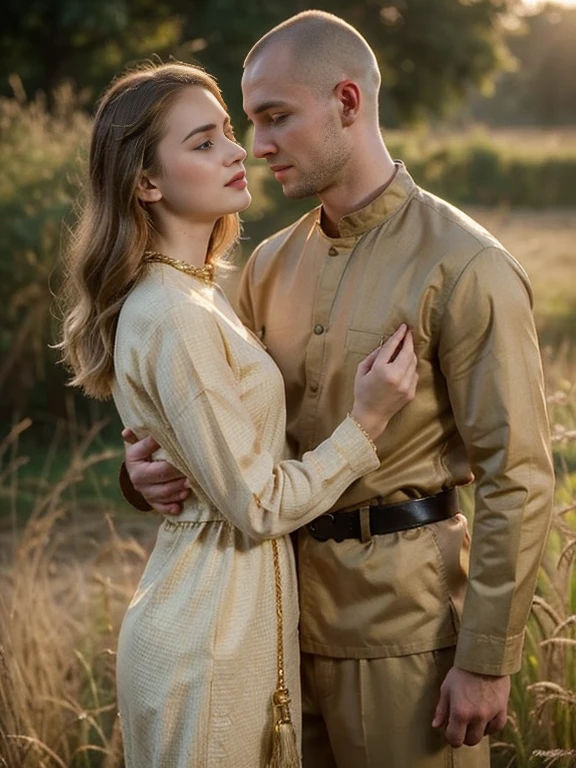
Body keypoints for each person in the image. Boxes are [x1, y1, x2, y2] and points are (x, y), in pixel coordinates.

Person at [122, 11, 555, 768]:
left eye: (275, 117)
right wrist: (138, 475)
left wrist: (486, 659)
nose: (256, 146)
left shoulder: (467, 268)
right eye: (247, 123)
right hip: (271, 629)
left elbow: (518, 475)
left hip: (407, 641)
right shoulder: (265, 266)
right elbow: (230, 437)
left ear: (347, 103)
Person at [58, 60, 419, 768]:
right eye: (203, 142)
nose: (237, 150)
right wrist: (366, 424)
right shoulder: (173, 312)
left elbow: (212, 448)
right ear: (146, 182)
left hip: (230, 628)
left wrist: (146, 472)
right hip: (206, 644)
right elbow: (254, 503)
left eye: (229, 131)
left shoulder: (200, 294)